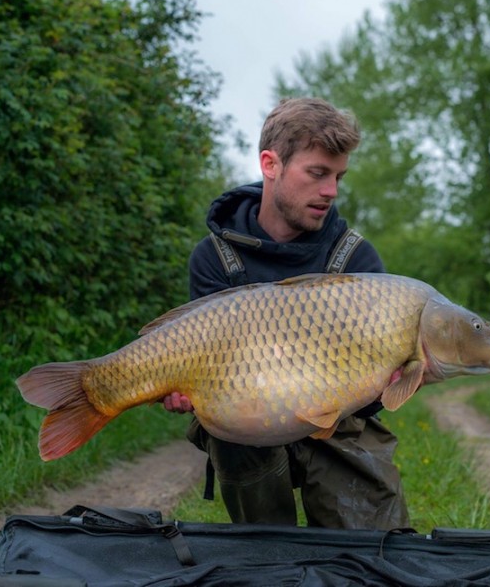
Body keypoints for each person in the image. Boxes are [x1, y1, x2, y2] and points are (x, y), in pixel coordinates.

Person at [160, 97, 410, 530]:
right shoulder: (214, 257)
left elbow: (373, 399)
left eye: (337, 177)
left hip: (338, 424)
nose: (331, 191)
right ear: (270, 164)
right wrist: (181, 387)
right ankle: (268, 549)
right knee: (232, 432)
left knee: (375, 555)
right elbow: (199, 363)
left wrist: (389, 383)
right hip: (250, 421)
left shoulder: (356, 259)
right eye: (317, 173)